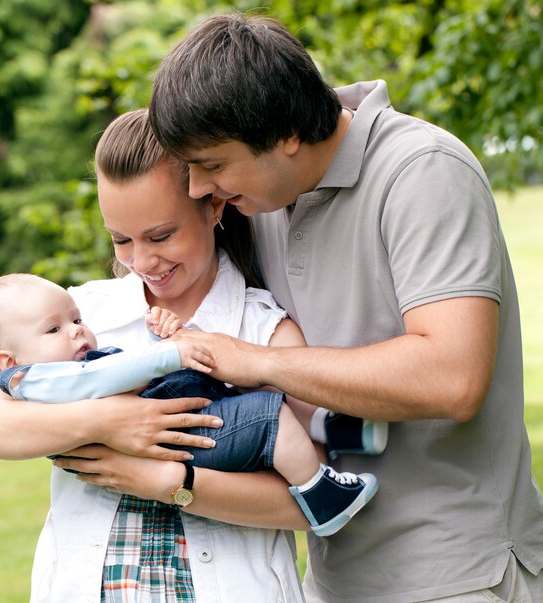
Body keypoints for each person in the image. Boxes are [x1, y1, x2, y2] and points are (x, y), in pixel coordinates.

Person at [147, 12, 543, 603]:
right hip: (335, 572)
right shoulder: (264, 200)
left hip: (457, 572)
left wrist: (259, 362)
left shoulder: (422, 172)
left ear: (285, 133)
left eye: (212, 164)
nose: (201, 188)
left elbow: (452, 378)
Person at [0, 108, 377, 603]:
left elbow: (304, 502)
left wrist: (171, 481)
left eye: (160, 236)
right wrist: (106, 420)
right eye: (121, 239)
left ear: (215, 206)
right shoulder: (77, 316)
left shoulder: (265, 330)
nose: (141, 261)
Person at [0, 271, 378, 535]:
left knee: (239, 395)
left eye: (76, 320)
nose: (77, 331)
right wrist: (168, 356)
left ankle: (335, 428)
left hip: (180, 432)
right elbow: (104, 379)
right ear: (9, 361)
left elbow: (131, 381)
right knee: (269, 418)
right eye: (55, 328)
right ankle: (321, 491)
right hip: (180, 441)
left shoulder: (58, 366)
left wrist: (163, 340)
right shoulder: (35, 380)